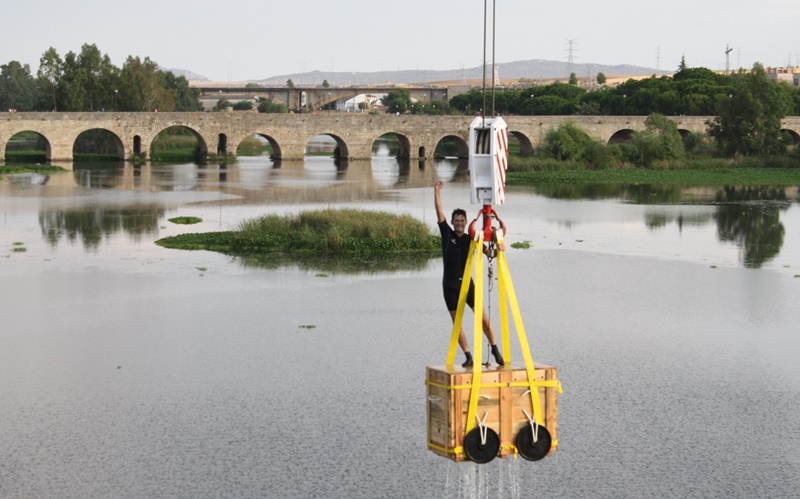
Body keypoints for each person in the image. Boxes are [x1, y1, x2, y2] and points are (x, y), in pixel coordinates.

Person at [434, 180, 505, 368]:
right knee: (456, 323)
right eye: (456, 220)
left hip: (467, 285)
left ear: (466, 223)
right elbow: (439, 211)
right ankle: (468, 355)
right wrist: (437, 191)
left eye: (462, 221)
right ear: (452, 222)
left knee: (482, 318)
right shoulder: (447, 235)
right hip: (449, 287)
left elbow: (489, 253)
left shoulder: (471, 239)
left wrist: (499, 246)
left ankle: (495, 348)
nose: (459, 223)